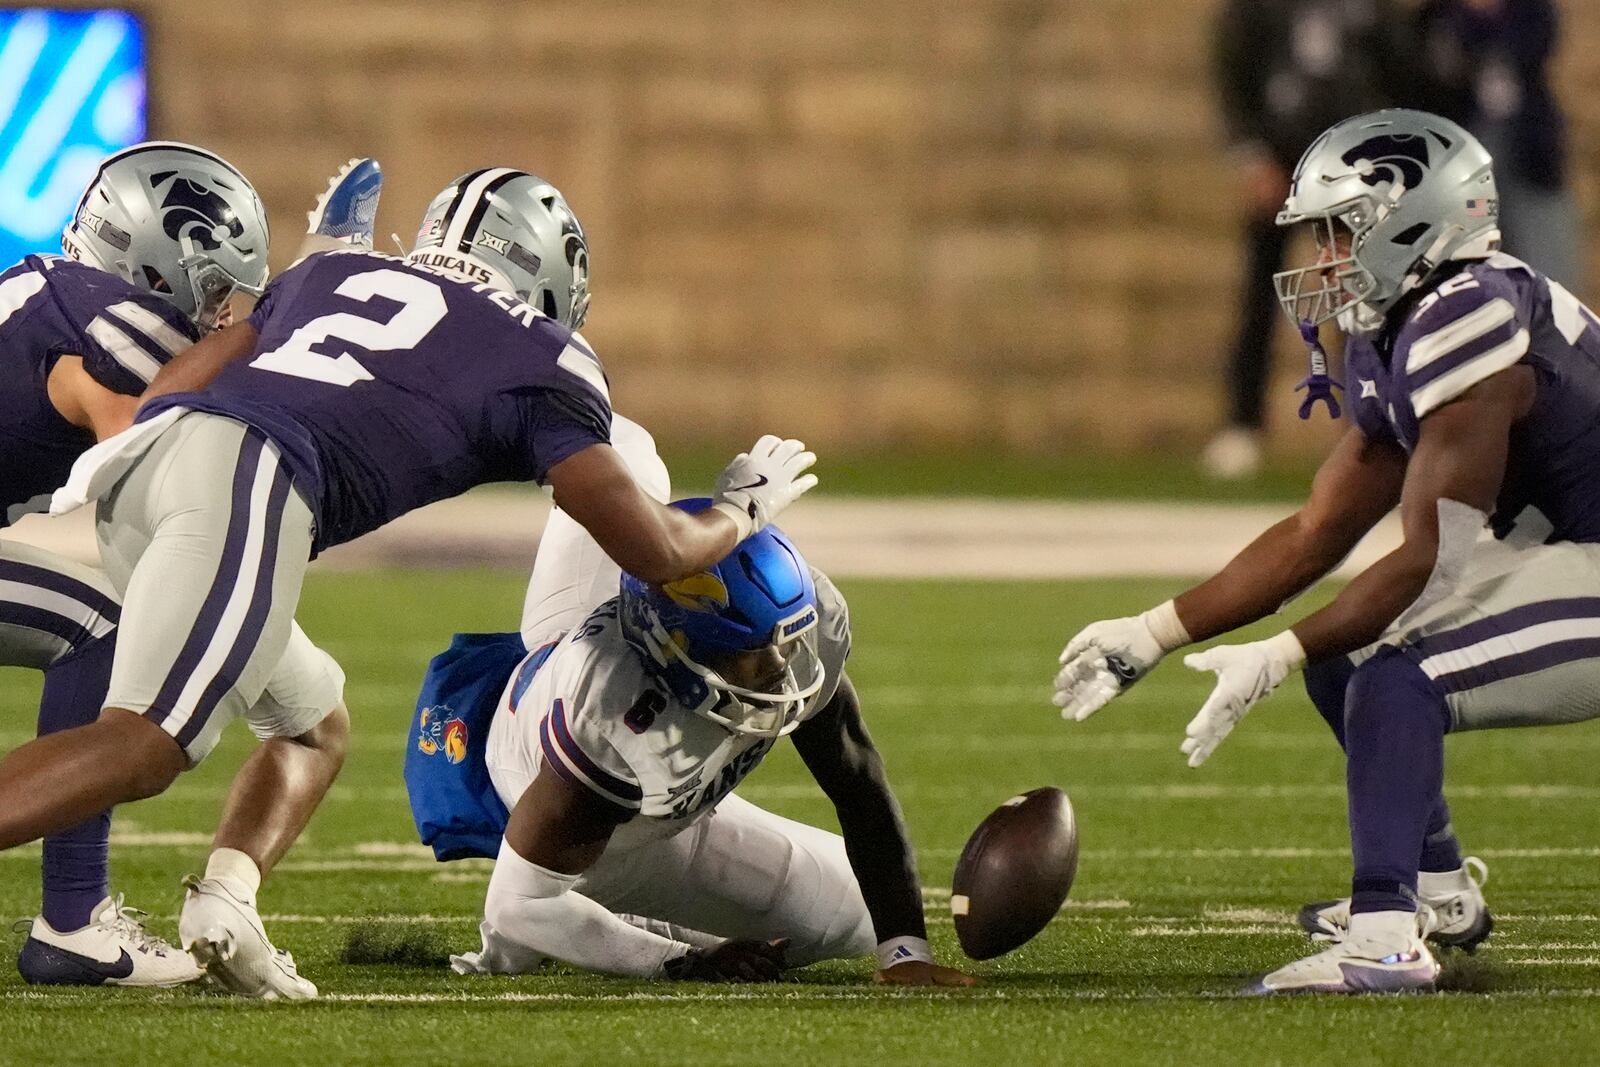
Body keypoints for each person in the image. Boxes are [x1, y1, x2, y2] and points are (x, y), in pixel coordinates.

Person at [0, 166, 817, 999]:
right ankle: (89, 914)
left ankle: (225, 901)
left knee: (313, 724)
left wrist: (306, 289)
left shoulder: (332, 272)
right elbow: (654, 547)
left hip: (151, 476)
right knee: (145, 742)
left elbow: (163, 399)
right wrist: (741, 507)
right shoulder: (544, 355)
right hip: (252, 473)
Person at [1053, 109, 1600, 993]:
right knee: (1349, 651)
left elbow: (1425, 559)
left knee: (1399, 673)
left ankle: (1385, 944)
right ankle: (1436, 891)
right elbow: (1317, 533)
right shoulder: (1407, 322)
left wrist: (1275, 652)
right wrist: (1154, 631)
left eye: (1341, 231)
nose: (1323, 259)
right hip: (1566, 545)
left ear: (1412, 221)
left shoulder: (1471, 317)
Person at [3, 144, 370, 992]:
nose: (218, 314)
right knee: (100, 618)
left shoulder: (54, 293)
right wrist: (311, 292)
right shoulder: (116, 325)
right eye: (215, 292)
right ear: (159, 259)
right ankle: (73, 921)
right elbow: (160, 474)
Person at [408, 506, 972, 985]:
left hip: (589, 644)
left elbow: (858, 782)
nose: (779, 668)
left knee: (863, 918)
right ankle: (622, 913)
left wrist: (906, 953)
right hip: (602, 833)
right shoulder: (614, 718)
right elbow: (518, 907)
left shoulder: (798, 632)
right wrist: (682, 961)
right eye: (750, 648)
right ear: (678, 647)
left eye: (785, 638)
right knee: (543, 908)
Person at [1204, 0, 1420, 479]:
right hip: (1282, 157)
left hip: (1352, 165)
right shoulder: (1260, 11)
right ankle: (1243, 425)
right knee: (1262, 297)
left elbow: (1399, 71)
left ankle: (1362, 422)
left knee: (1358, 300)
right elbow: (1236, 68)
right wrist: (1252, 154)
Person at [1416, 0, 1583, 293]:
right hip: (1466, 163)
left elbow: (1538, 47)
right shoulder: (1438, 19)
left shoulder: (1531, 12)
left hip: (1532, 156)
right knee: (1480, 255)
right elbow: (1436, 76)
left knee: (1548, 262)